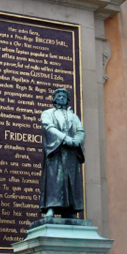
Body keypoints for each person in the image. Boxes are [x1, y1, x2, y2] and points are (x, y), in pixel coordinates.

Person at [39, 88, 85, 218]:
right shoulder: (47, 113)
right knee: (55, 181)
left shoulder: (73, 116)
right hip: (56, 152)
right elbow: (48, 127)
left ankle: (70, 209)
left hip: (70, 154)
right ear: (54, 99)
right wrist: (65, 139)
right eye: (58, 96)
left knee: (71, 181)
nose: (61, 98)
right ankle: (51, 208)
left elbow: (80, 130)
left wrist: (77, 140)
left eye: (63, 96)